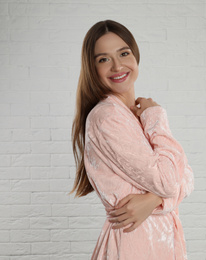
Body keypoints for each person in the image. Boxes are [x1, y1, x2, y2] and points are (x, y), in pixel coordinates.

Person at [69, 20, 194, 260]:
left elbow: (188, 176)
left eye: (123, 53)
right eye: (103, 59)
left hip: (159, 244)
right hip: (134, 244)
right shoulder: (108, 117)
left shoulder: (135, 116)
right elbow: (170, 180)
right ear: (92, 68)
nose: (117, 66)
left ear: (135, 56)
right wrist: (157, 116)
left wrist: (154, 200)